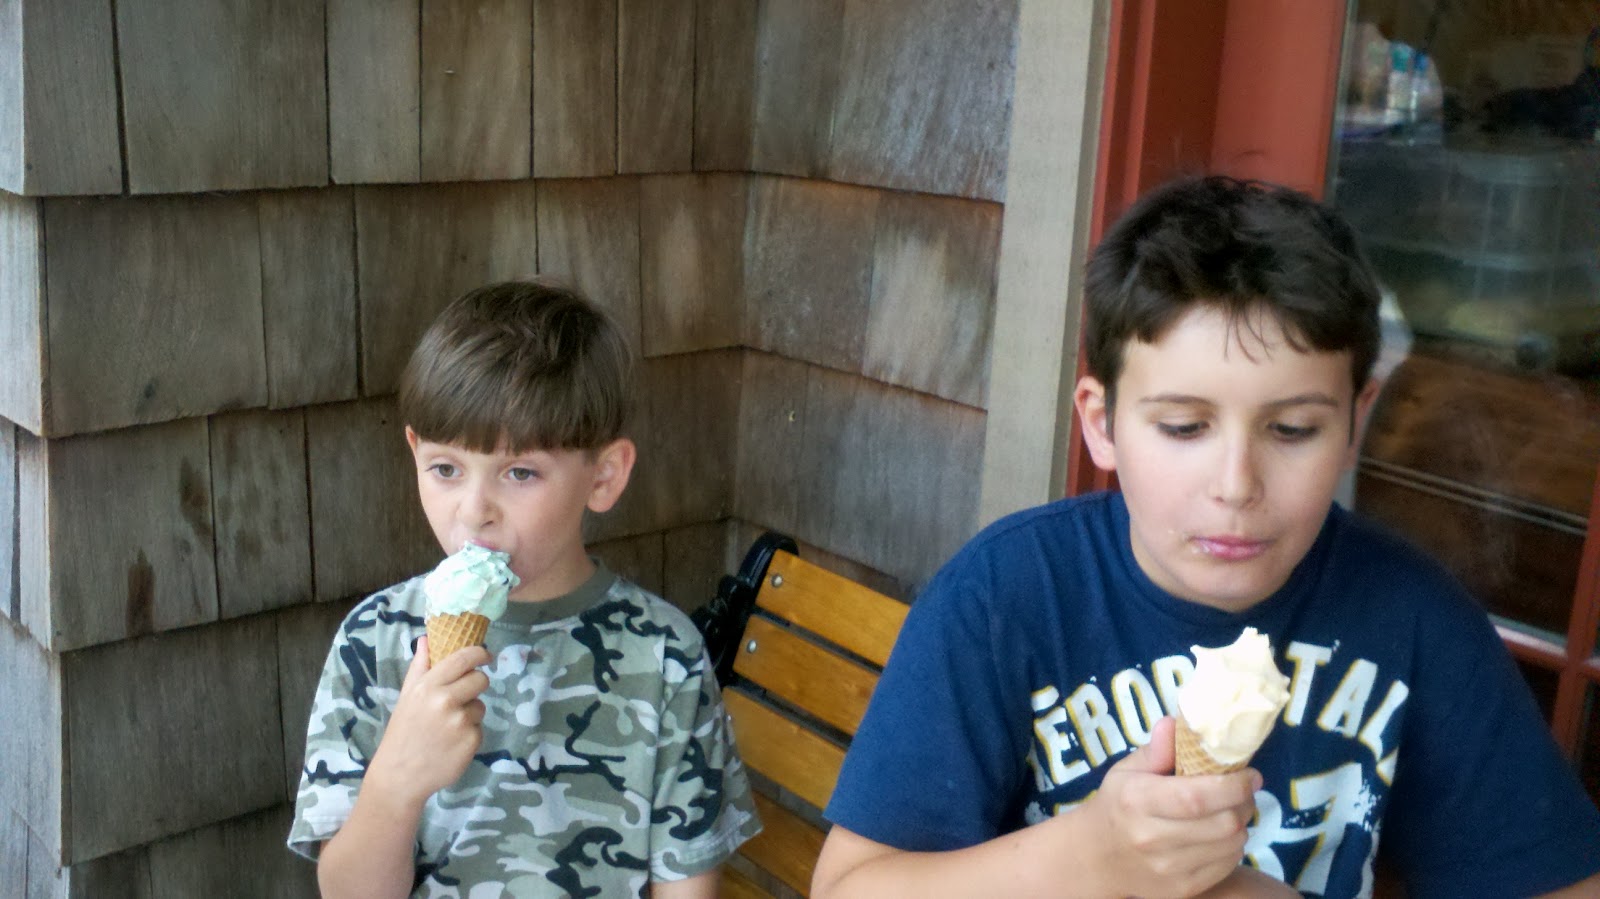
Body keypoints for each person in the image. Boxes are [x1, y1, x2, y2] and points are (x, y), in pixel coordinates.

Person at [812, 176, 1600, 899]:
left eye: (1292, 429)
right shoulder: (1006, 597)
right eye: (1185, 426)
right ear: (1102, 423)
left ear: (1354, 424)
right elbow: (849, 887)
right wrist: (1086, 858)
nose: (1235, 483)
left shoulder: (1414, 619)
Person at [287, 280, 759, 897]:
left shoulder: (665, 657)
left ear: (604, 476)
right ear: (414, 452)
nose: (473, 511)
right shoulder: (374, 642)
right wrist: (395, 783)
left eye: (519, 473)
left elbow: (686, 887)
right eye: (446, 469)